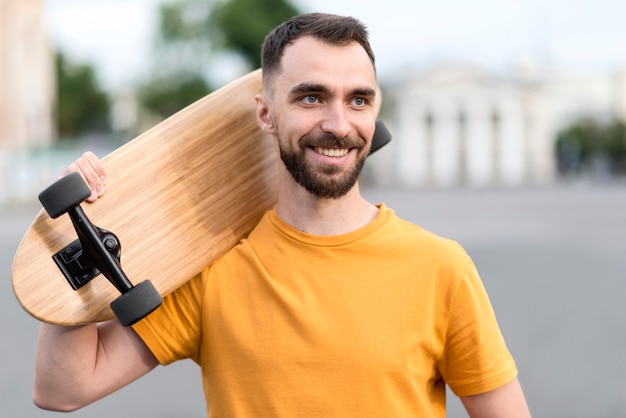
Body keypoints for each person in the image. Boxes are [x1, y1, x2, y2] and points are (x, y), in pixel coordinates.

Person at [33, 12, 531, 417]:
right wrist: (77, 240)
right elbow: (64, 389)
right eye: (311, 97)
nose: (339, 124)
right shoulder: (213, 270)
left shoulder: (440, 268)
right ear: (266, 113)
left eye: (358, 100)